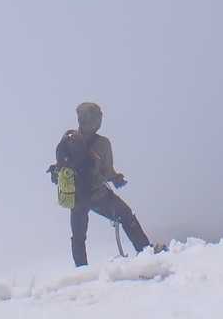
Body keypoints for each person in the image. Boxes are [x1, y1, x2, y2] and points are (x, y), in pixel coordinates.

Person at [49, 102, 162, 266]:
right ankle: (146, 252)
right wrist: (117, 179)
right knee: (126, 216)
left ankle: (81, 271)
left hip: (76, 198)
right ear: (95, 121)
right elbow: (108, 172)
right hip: (97, 195)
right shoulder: (102, 143)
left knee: (78, 237)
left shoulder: (68, 139)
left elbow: (62, 167)